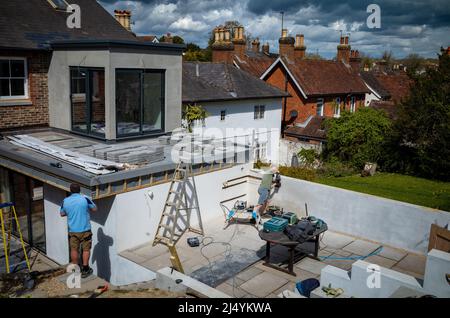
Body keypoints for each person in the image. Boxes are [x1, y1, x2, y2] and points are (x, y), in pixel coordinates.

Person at [60, 183, 97, 278]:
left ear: (70, 190)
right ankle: (85, 269)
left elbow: (62, 214)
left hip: (73, 230)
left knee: (74, 249)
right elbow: (94, 209)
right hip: (85, 229)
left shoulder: (65, 201)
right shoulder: (84, 199)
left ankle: (76, 269)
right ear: (80, 190)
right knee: (86, 249)